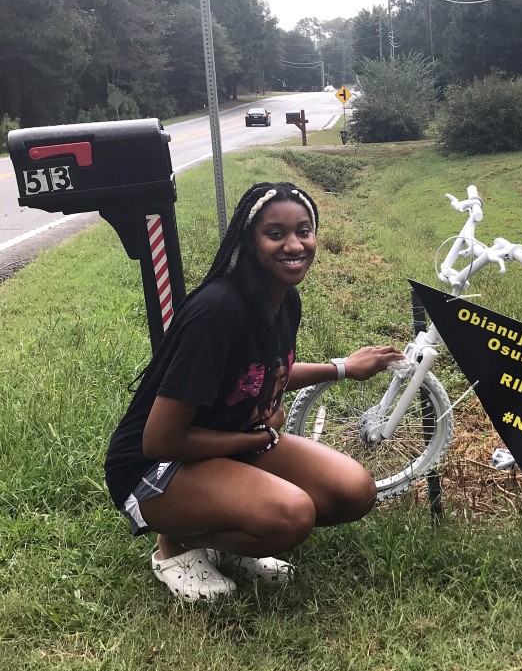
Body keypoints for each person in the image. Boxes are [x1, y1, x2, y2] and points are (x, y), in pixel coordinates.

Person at [105, 182, 404, 602]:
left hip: (223, 448)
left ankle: (230, 538)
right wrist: (261, 436)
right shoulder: (218, 311)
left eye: (304, 230)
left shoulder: (285, 299)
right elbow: (159, 441)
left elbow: (267, 372)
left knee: (354, 492)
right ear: (249, 241)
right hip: (152, 470)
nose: (295, 245)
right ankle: (175, 547)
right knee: (291, 516)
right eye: (276, 234)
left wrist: (342, 367)